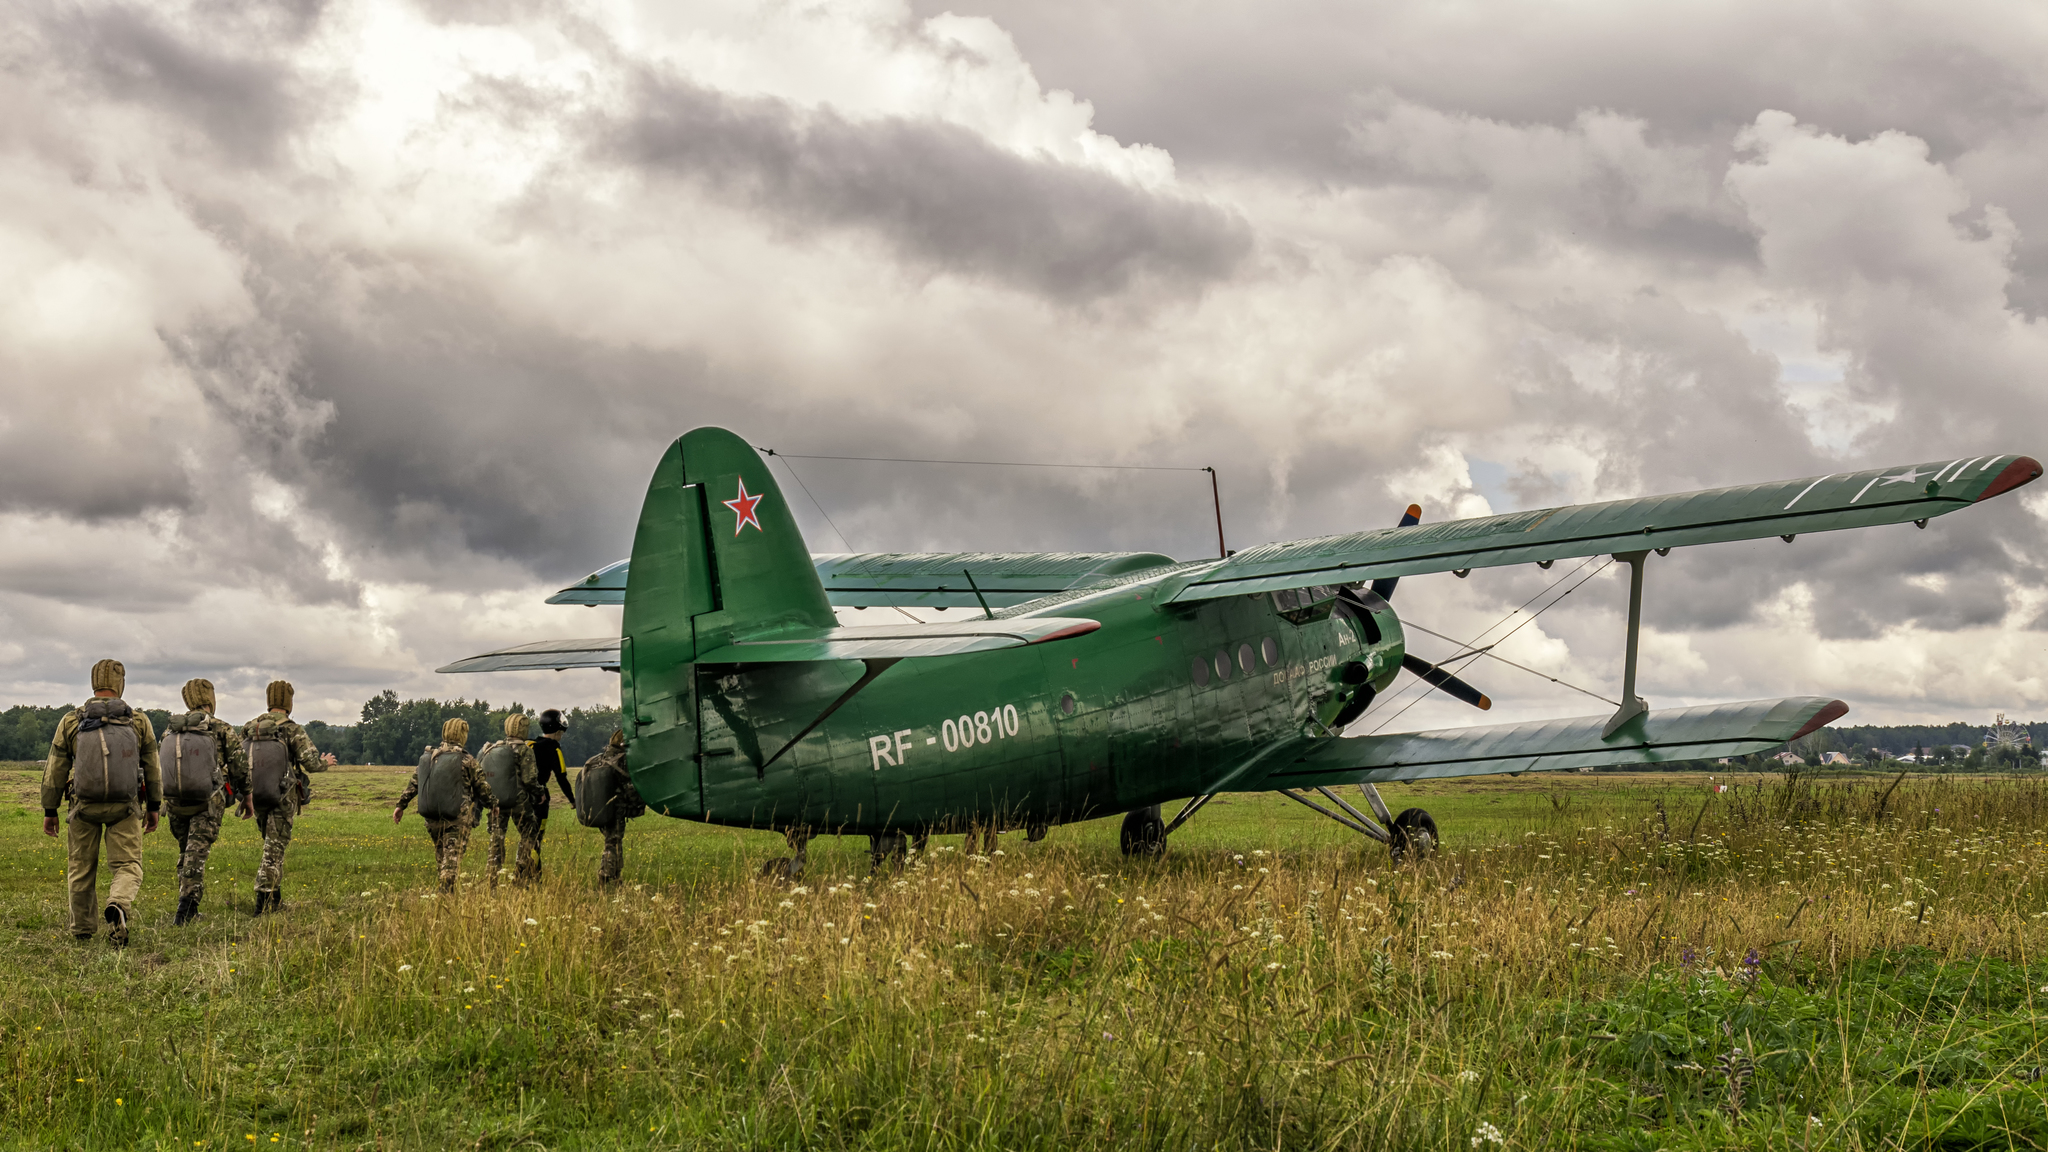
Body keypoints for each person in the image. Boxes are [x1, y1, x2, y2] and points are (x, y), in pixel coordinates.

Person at [40, 659, 159, 946]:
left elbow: (55, 769)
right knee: (128, 864)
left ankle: (82, 928)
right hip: (126, 806)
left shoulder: (72, 720)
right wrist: (154, 806)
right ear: (121, 684)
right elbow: (153, 767)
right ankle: (118, 902)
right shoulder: (138, 720)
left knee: (81, 867)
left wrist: (50, 809)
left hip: (83, 806)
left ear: (94, 684)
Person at [163, 678, 249, 925]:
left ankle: (185, 900)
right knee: (196, 852)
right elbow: (240, 766)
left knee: (185, 850)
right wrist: (248, 796)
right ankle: (186, 909)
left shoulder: (171, 730)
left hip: (176, 800)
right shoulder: (221, 728)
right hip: (208, 800)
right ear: (210, 698)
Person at [241, 679, 327, 915]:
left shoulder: (250, 727)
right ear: (288, 702)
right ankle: (263, 902)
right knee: (274, 848)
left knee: (271, 845)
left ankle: (275, 900)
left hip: (256, 796)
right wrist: (326, 763)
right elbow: (310, 763)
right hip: (282, 797)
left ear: (269, 701)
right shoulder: (291, 729)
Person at [392, 718, 498, 892]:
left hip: (432, 818)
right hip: (456, 819)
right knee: (451, 860)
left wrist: (400, 805)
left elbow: (415, 784)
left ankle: (444, 895)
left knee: (442, 857)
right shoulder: (466, 760)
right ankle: (445, 895)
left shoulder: (430, 757)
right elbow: (482, 787)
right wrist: (493, 804)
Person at [477, 714, 540, 887]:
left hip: (496, 802)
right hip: (519, 802)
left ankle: (491, 879)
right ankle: (520, 874)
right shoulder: (525, 750)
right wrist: (540, 793)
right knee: (528, 834)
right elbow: (529, 780)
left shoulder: (495, 748)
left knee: (496, 839)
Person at [577, 729, 643, 887]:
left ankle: (615, 877)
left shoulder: (600, 758)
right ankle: (606, 875)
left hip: (600, 806)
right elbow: (629, 785)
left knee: (613, 842)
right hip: (616, 808)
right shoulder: (622, 759)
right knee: (613, 843)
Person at [526, 709, 577, 881]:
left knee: (525, 836)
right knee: (536, 839)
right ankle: (534, 876)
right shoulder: (554, 748)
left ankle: (523, 873)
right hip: (540, 798)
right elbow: (561, 776)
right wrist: (572, 799)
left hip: (523, 798)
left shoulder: (530, 744)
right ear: (557, 730)